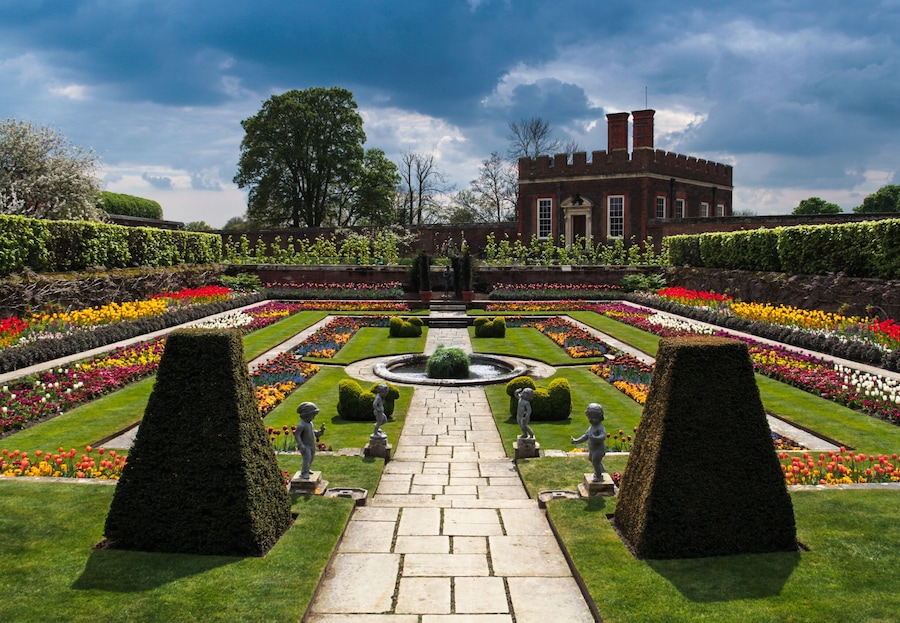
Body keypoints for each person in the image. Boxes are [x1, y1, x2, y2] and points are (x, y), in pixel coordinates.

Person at [571, 403, 607, 482]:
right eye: (589, 417)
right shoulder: (591, 427)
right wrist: (576, 441)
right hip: (593, 450)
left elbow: (603, 436)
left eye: (593, 418)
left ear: (600, 417)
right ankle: (601, 469)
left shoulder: (600, 427)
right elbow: (585, 436)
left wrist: (595, 438)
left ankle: (598, 476)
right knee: (591, 459)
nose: (590, 420)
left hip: (599, 449)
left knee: (595, 461)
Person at [295, 401, 325, 479]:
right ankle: (304, 472)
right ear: (306, 415)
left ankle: (307, 469)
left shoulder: (310, 423)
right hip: (305, 445)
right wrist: (300, 444)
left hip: (312, 445)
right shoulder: (301, 425)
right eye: (312, 415)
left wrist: (320, 431)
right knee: (307, 458)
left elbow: (313, 432)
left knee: (311, 457)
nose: (313, 418)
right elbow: (297, 435)